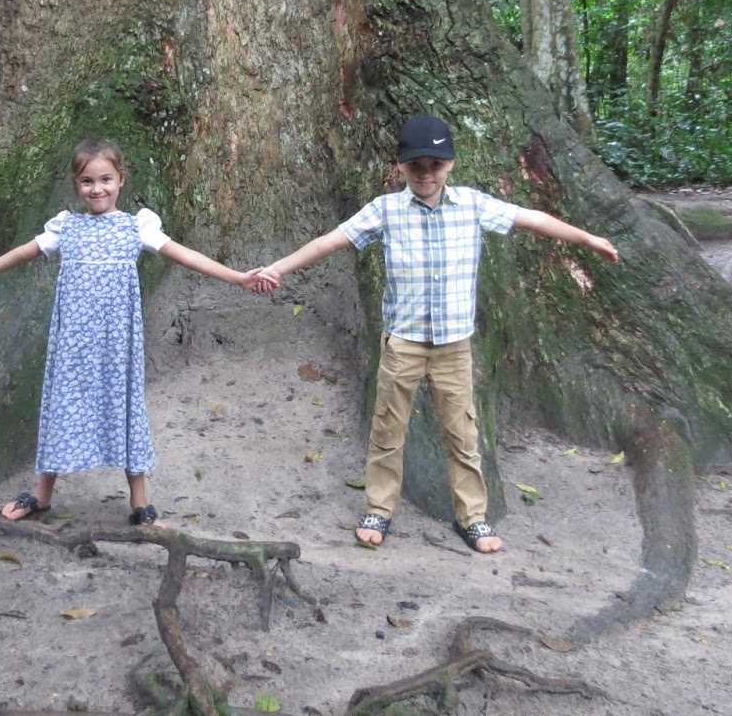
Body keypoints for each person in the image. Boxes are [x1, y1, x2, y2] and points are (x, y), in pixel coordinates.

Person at [261, 114, 618, 553]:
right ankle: (379, 507)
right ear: (401, 168)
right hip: (403, 343)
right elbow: (331, 240)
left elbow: (531, 218)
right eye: (417, 166)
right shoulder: (386, 209)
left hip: (453, 346)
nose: (426, 174)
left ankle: (473, 516)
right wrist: (278, 267)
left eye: (436, 164)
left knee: (462, 434)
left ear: (450, 164)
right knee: (388, 430)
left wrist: (587, 239)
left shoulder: (472, 204)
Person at [0, 138, 276, 526]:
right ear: (76, 185)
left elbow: (185, 254)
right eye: (87, 181)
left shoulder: (137, 227)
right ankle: (42, 494)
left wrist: (238, 278)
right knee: (61, 404)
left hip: (117, 346)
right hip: (73, 344)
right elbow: (25, 251)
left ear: (121, 180)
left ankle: (139, 502)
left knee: (126, 406)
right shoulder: (67, 227)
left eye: (106, 179)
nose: (97, 189)